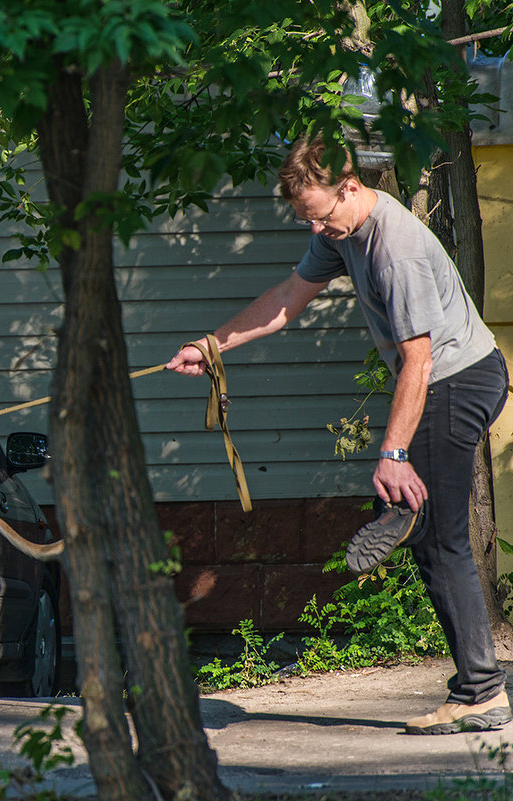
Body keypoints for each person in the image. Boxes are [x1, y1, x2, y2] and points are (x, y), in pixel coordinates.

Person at [166, 135, 511, 735]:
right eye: (307, 220)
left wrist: (394, 454)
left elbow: (420, 360)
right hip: (440, 378)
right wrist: (210, 345)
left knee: (443, 535)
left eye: (320, 215)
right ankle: (403, 522)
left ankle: (481, 690)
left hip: (459, 377)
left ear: (351, 187)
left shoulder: (393, 246)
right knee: (431, 533)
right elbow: (285, 300)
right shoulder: (340, 232)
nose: (318, 230)